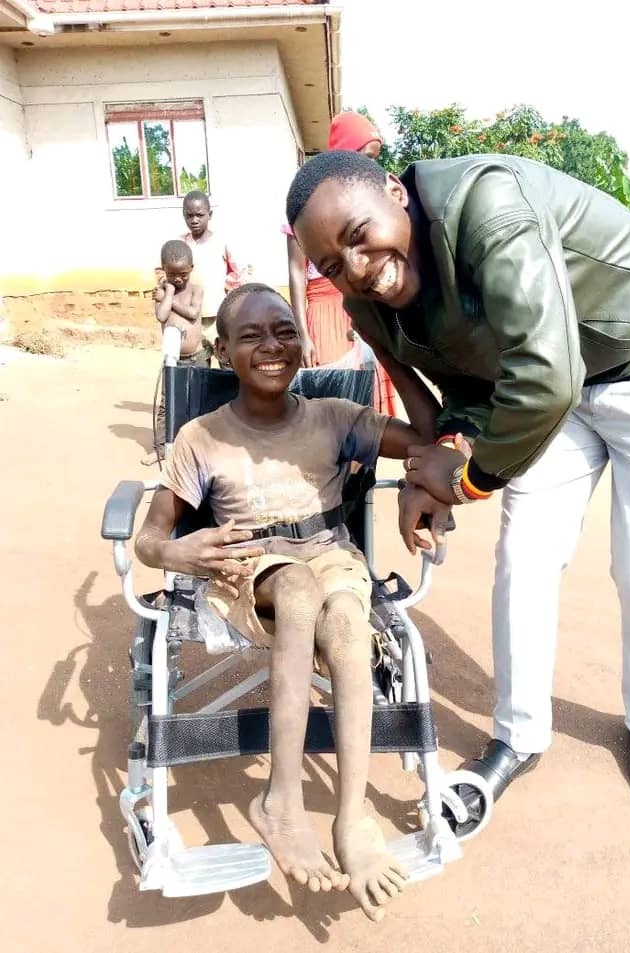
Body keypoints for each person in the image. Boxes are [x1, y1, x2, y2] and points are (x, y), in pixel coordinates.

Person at [285, 149, 630, 808]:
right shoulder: (368, 304)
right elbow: (434, 398)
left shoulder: (485, 206)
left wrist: (466, 481)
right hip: (553, 394)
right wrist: (423, 477)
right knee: (523, 559)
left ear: (395, 194)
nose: (360, 269)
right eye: (334, 266)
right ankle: (517, 735)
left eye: (358, 237)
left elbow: (546, 372)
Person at [134, 283, 441, 920]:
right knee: (299, 590)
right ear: (222, 352)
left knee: (350, 621)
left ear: (301, 341)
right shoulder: (202, 436)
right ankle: (281, 801)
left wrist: (390, 355)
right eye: (251, 335)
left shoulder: (333, 416)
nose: (272, 345)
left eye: (284, 331)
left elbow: (426, 439)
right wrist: (175, 554)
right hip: (250, 571)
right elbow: (149, 539)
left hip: (332, 558)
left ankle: (352, 818)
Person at [284, 112, 397, 416]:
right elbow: (297, 272)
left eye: (376, 158)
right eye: (367, 156)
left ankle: (367, 462)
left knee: (371, 398)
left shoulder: (368, 199)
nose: (373, 166)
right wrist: (302, 334)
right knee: (337, 401)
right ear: (347, 154)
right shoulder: (307, 203)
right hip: (324, 312)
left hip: (363, 304)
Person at [142, 240, 206, 466]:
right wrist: (167, 292)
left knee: (197, 404)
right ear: (163, 270)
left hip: (197, 358)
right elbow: (161, 316)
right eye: (172, 274)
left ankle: (198, 450)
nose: (178, 279)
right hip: (172, 360)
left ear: (191, 269)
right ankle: (160, 448)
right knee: (166, 406)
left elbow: (192, 312)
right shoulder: (162, 292)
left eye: (183, 274)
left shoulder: (196, 290)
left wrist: (169, 299)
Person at [180, 189, 246, 365]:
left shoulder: (221, 242)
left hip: (219, 318)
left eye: (199, 215)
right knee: (199, 371)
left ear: (210, 214)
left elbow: (238, 273)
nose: (194, 220)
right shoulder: (180, 245)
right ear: (183, 215)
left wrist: (231, 301)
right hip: (191, 320)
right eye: (189, 215)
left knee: (229, 366)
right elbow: (164, 271)